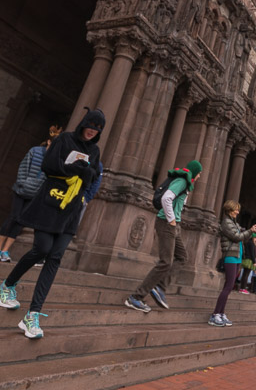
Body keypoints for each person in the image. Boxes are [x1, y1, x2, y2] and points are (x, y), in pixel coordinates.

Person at [0, 108, 104, 338]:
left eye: (97, 129)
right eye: (90, 126)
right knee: (41, 249)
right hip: (50, 201)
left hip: (72, 208)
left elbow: (94, 176)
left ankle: (33, 314)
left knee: (55, 257)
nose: (92, 131)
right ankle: (7, 285)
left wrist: (85, 182)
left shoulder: (95, 150)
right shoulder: (66, 139)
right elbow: (48, 165)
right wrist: (73, 169)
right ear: (83, 124)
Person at [125, 161, 201, 312]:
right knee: (165, 261)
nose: (199, 176)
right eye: (198, 173)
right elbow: (166, 198)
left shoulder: (185, 184)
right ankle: (136, 297)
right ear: (194, 172)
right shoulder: (181, 181)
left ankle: (160, 287)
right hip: (167, 224)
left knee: (182, 257)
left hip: (174, 225)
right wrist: (171, 219)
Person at [0, 126, 62, 262]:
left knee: (20, 221)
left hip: (34, 195)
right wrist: (23, 183)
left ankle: (5, 251)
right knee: (13, 217)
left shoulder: (54, 161)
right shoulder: (35, 151)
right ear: (49, 142)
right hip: (21, 190)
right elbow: (23, 167)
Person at [209, 200, 256, 326]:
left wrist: (250, 232)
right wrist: (249, 231)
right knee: (228, 286)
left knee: (229, 286)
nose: (237, 211)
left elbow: (242, 238)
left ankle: (221, 313)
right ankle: (215, 314)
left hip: (237, 256)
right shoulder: (226, 222)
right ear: (230, 209)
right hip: (230, 256)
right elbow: (236, 237)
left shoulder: (234, 223)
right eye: (236, 209)